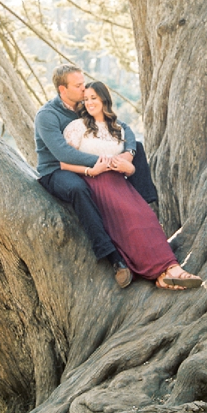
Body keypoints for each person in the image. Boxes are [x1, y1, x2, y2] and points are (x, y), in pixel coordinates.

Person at [61, 81, 202, 290]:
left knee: (146, 217)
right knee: (130, 221)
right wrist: (90, 171)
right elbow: (63, 163)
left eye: (94, 98)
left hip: (119, 182)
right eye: (86, 99)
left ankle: (170, 270)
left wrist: (127, 167)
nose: (90, 102)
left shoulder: (119, 128)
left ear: (104, 99)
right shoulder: (76, 128)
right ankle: (160, 270)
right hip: (94, 182)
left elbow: (130, 162)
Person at [35, 63, 154, 289]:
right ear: (63, 90)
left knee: (136, 147)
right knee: (78, 188)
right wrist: (105, 161)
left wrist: (126, 153)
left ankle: (147, 211)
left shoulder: (84, 104)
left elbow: (120, 125)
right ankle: (111, 257)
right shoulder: (47, 116)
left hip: (94, 162)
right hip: (56, 171)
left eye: (83, 83)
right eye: (78, 85)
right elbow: (61, 153)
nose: (84, 89)